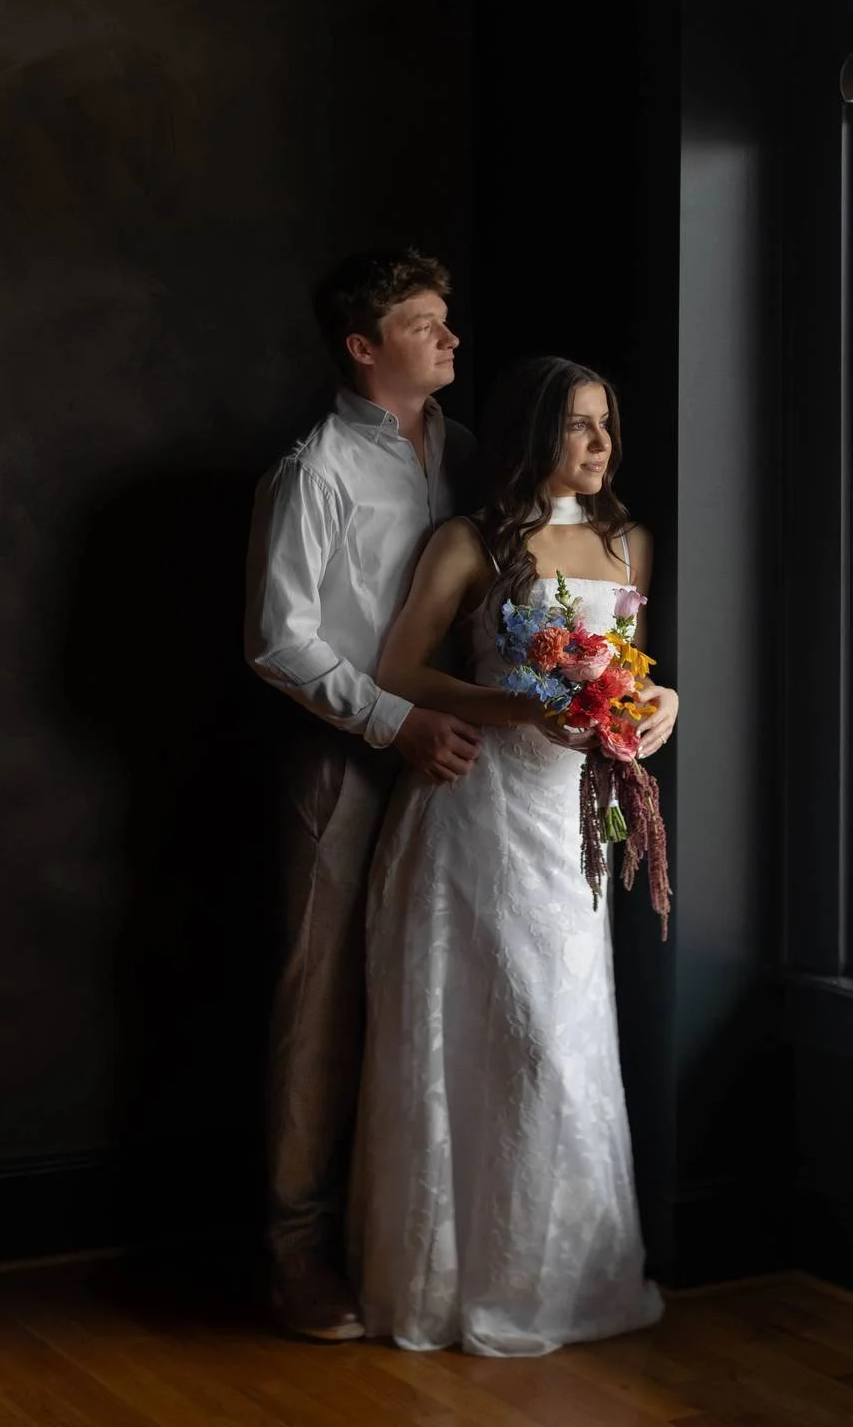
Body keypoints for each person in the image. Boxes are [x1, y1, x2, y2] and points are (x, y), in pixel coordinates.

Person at [349, 354, 679, 1357]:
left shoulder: (627, 542)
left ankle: (562, 1274)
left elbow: (630, 671)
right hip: (480, 810)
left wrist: (662, 703)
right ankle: (463, 1279)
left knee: (565, 1038)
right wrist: (516, 706)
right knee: (493, 1032)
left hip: (574, 816)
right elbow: (398, 669)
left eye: (605, 427)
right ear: (532, 435)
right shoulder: (469, 543)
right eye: (578, 426)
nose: (598, 446)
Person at [245, 247, 482, 1341]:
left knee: (430, 990)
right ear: (362, 346)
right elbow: (277, 641)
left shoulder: (469, 454)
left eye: (445, 320)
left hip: (462, 765)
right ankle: (296, 1255)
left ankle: (411, 1240)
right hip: (345, 764)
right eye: (423, 323)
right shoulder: (313, 471)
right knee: (321, 1003)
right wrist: (394, 723)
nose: (446, 337)